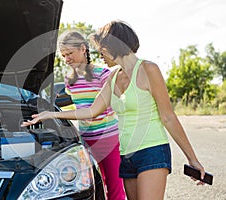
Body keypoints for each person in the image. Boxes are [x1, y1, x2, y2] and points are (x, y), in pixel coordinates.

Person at [22, 20, 206, 200]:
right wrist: (51, 114)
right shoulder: (113, 78)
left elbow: (168, 117)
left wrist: (192, 159)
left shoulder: (149, 69)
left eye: (101, 47)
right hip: (127, 154)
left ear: (114, 45)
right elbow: (91, 111)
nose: (99, 53)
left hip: (152, 150)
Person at [55, 30, 126, 200]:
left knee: (114, 187)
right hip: (86, 142)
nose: (67, 59)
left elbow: (116, 104)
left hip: (109, 139)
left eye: (70, 53)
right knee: (92, 186)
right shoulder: (69, 80)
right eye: (63, 55)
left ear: (82, 49)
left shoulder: (103, 75)